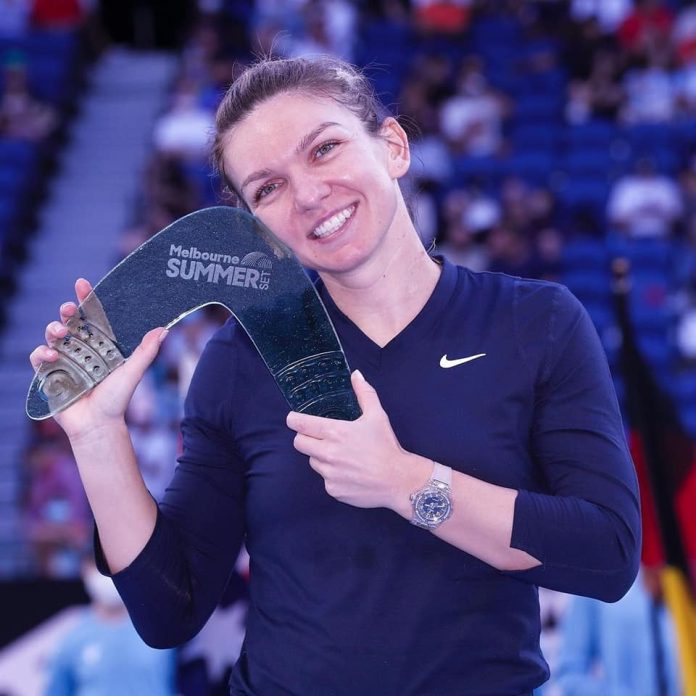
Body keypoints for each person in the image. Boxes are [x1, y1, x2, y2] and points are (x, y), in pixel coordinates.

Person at [29, 55, 641, 695]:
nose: (308, 194)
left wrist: (405, 482)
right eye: (268, 189)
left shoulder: (532, 322)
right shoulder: (240, 360)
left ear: (393, 146)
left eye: (324, 149)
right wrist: (97, 434)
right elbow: (169, 611)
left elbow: (607, 554)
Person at [44, 555, 177, 696]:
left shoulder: (161, 627)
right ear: (84, 570)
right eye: (100, 565)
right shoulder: (72, 636)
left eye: (113, 564)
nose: (108, 574)